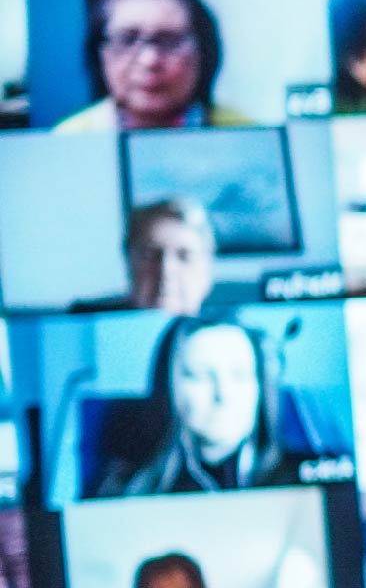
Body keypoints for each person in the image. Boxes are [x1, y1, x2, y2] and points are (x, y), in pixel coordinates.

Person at [90, 316, 307, 499]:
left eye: (240, 375)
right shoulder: (125, 489)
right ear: (169, 387)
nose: (223, 395)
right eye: (200, 376)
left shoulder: (305, 475)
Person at [58, 0, 252, 132]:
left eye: (169, 41)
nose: (149, 60)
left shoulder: (247, 135)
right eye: (127, 40)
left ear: (203, 51)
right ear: (100, 53)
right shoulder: (69, 141)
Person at [72, 199, 218, 314]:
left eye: (184, 256)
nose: (166, 270)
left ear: (207, 272)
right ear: (129, 262)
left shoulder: (230, 337)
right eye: (150, 255)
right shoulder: (81, 328)